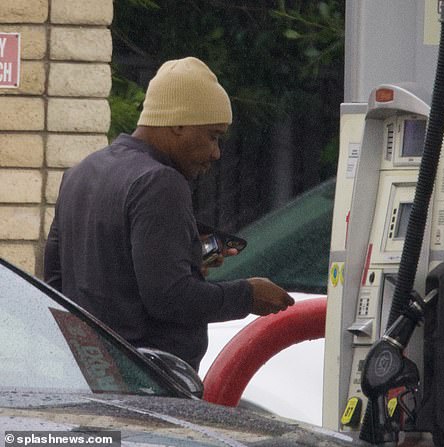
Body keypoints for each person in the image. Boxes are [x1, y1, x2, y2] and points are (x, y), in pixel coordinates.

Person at [44, 57, 294, 370]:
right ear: (177, 123)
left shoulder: (79, 173)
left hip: (88, 374)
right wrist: (247, 295)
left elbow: (54, 280)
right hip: (149, 382)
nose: (216, 153)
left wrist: (188, 257)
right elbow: (170, 298)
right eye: (212, 136)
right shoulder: (160, 182)